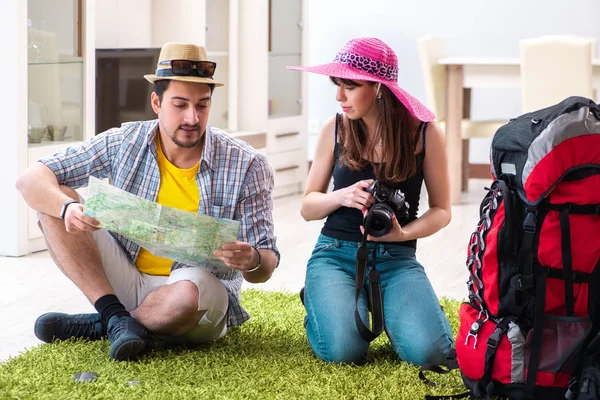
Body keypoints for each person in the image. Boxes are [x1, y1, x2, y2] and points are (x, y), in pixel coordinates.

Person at [15, 42, 280, 361]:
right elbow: (29, 179)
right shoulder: (124, 142)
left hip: (195, 293)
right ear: (156, 102)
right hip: (126, 277)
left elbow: (265, 264)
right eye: (180, 105)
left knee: (186, 294)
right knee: (54, 207)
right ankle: (116, 316)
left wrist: (251, 258)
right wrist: (67, 208)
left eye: (202, 105)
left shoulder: (248, 164)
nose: (192, 117)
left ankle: (109, 322)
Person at [287, 37, 453, 365]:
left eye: (349, 86)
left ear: (379, 87)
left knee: (432, 355)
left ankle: (386, 306)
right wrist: (341, 196)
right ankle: (324, 299)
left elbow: (442, 210)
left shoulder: (424, 133)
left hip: (397, 258)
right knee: (345, 351)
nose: (339, 96)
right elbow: (308, 208)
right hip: (335, 255)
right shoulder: (333, 129)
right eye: (337, 85)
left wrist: (403, 234)